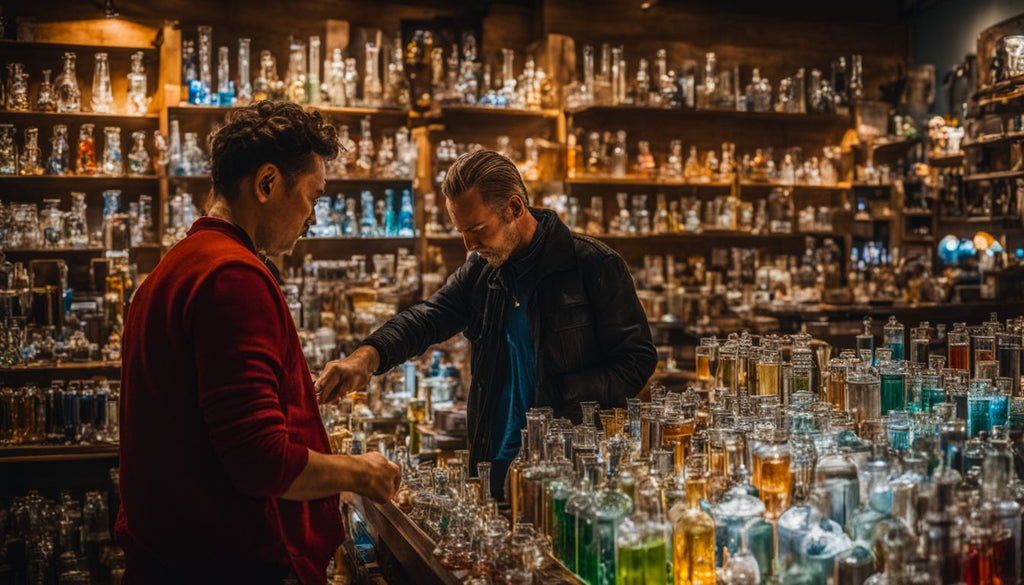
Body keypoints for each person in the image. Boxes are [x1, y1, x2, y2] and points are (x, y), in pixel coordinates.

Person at [116, 101, 401, 585]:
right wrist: (359, 471)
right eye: (312, 196)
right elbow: (259, 459)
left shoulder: (175, 267)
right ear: (268, 183)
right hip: (227, 564)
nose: (312, 218)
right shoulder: (233, 276)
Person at [316, 149, 657, 498]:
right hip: (493, 467)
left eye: (478, 230)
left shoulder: (593, 265)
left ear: (514, 208)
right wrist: (366, 357)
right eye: (462, 232)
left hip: (566, 473)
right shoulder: (483, 270)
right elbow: (429, 316)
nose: (470, 245)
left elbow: (638, 361)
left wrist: (560, 392)